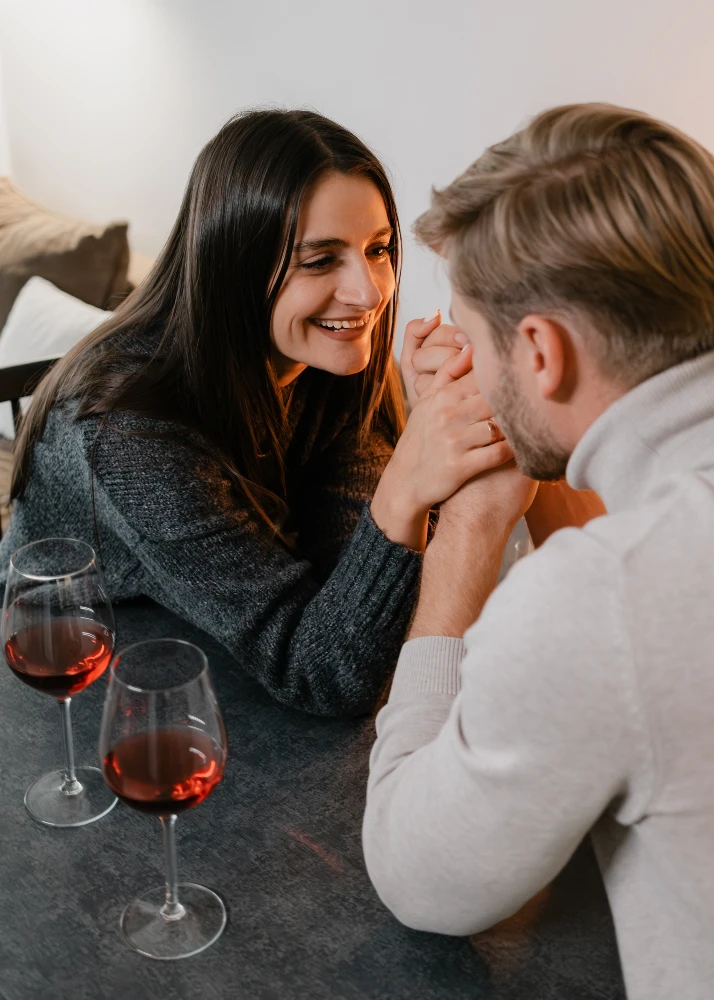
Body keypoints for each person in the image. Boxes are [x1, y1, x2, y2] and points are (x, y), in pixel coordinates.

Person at [363, 103, 714, 998]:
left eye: (470, 339)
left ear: (541, 352)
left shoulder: (596, 602)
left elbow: (416, 873)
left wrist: (470, 525)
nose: (457, 362)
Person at [0, 109, 512, 716]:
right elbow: (326, 676)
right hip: (87, 671)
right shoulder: (126, 434)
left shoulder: (326, 357)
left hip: (217, 632)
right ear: (231, 267)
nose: (372, 293)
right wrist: (410, 476)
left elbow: (348, 598)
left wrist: (418, 445)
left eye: (378, 249)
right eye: (320, 260)